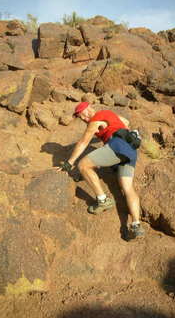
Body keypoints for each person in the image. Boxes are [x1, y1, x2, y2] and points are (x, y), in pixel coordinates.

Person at [55, 101, 144, 240]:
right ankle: (136, 224)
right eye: (80, 117)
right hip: (131, 151)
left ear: (89, 108)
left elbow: (83, 142)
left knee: (83, 165)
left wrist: (69, 163)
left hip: (118, 146)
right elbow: (125, 121)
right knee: (127, 188)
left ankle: (102, 200)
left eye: (82, 114)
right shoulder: (109, 114)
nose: (83, 119)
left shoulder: (96, 118)